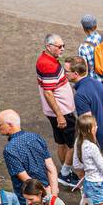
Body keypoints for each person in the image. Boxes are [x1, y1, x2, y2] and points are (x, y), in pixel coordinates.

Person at [36, 35, 79, 189]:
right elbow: (48, 92)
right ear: (49, 46)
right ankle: (65, 173)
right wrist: (60, 115)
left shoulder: (45, 60)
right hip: (62, 112)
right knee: (75, 142)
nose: (62, 49)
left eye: (63, 46)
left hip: (54, 112)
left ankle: (65, 172)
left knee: (61, 143)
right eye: (59, 46)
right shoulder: (48, 65)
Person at [0, 109, 60, 203]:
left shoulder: (10, 149)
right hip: (48, 190)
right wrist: (53, 196)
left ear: (10, 125)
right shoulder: (36, 137)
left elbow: (25, 178)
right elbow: (51, 168)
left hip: (29, 198)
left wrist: (43, 195)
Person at [66, 56, 103, 149]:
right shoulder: (98, 83)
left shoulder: (80, 95)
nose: (64, 74)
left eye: (66, 71)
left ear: (75, 74)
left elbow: (88, 126)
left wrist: (93, 148)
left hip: (100, 142)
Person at [77, 15, 103, 83]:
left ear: (84, 28)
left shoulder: (83, 48)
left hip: (95, 83)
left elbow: (84, 70)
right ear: (96, 26)